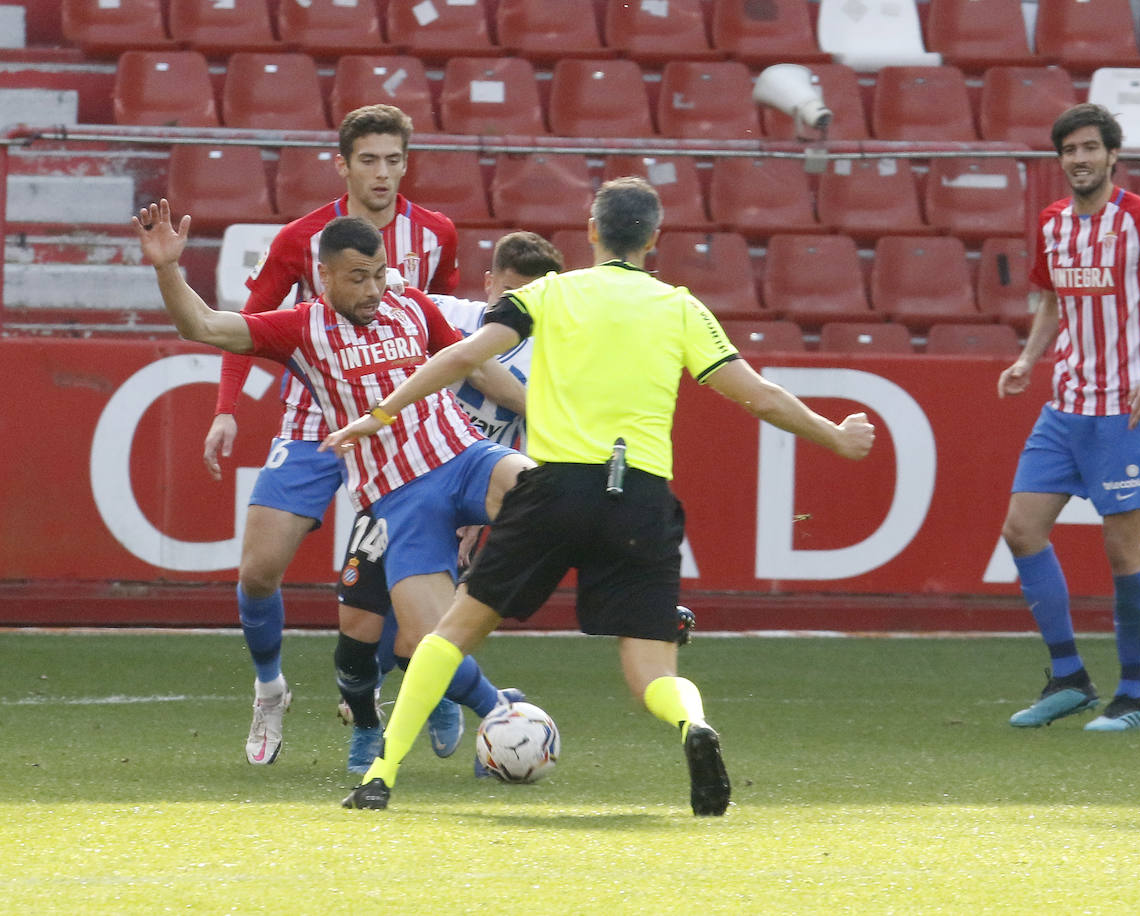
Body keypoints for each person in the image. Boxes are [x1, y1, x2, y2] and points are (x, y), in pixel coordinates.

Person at [322, 177, 875, 815]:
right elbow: (760, 396)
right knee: (653, 673)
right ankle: (692, 724)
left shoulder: (549, 294)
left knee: (452, 634)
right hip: (638, 497)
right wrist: (834, 436)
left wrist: (381, 413)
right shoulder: (680, 307)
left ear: (591, 231)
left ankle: (380, 775)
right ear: (654, 237)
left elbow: (463, 356)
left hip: (554, 489)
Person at [134, 202, 535, 771]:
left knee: (545, 491)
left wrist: (538, 408)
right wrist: (168, 269)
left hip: (466, 457)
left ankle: (643, 601)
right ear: (324, 276)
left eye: (378, 274)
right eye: (357, 278)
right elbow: (202, 325)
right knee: (428, 640)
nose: (374, 289)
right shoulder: (301, 328)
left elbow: (469, 363)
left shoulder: (412, 305)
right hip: (402, 499)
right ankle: (502, 713)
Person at [205, 104, 465, 766]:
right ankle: (270, 686)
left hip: (403, 427)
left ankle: (409, 698)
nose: (382, 173)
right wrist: (226, 405)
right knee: (260, 569)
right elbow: (249, 320)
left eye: (394, 159)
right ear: (343, 164)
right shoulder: (303, 238)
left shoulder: (435, 236)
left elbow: (454, 338)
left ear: (407, 163)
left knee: (403, 585)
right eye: (369, 159)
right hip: (315, 418)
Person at [998, 103, 1140, 732]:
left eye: (1090, 148)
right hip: (1064, 408)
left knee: (1122, 553)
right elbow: (1053, 302)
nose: (1079, 159)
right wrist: (1029, 359)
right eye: (1069, 151)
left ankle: (1132, 698)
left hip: (1125, 413)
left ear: (1113, 154)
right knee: (1021, 530)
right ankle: (1069, 678)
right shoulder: (1054, 222)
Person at [336, 231, 565, 774]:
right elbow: (388, 305)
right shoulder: (447, 314)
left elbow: (532, 449)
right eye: (508, 293)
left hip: (464, 491)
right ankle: (406, 708)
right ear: (488, 283)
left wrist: (479, 521)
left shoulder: (555, 359)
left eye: (531, 299)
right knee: (357, 630)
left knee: (418, 636)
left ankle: (476, 710)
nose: (517, 309)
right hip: (399, 482)